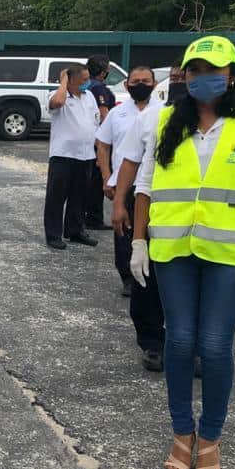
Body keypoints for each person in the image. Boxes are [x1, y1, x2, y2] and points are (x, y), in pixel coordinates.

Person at [131, 36, 235, 469]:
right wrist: (137, 240)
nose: (201, 77)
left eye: (211, 69)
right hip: (173, 249)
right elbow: (145, 185)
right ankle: (181, 432)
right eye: (193, 70)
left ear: (231, 75)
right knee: (179, 341)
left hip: (230, 254)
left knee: (213, 346)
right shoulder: (168, 120)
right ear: (184, 76)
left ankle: (210, 436)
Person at [111, 66, 187, 372]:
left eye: (187, 77)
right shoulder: (153, 118)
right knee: (147, 283)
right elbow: (130, 162)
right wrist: (119, 203)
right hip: (152, 209)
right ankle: (153, 344)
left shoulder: (223, 124)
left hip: (198, 220)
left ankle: (189, 347)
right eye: (180, 79)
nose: (184, 84)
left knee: (188, 287)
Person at [96, 66, 161, 298]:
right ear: (126, 85)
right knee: (123, 232)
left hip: (155, 185)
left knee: (153, 233)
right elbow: (102, 145)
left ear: (154, 84)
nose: (140, 84)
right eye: (135, 81)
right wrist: (106, 177)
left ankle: (154, 276)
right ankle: (128, 279)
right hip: (124, 183)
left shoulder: (164, 112)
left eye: (146, 80)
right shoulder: (117, 113)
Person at [44, 64, 100, 249]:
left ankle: (75, 231)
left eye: (88, 78)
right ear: (72, 80)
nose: (87, 82)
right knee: (56, 197)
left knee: (80, 196)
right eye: (83, 80)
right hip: (63, 154)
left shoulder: (89, 96)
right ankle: (53, 234)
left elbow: (94, 122)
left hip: (86, 155)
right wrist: (63, 82)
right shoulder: (58, 95)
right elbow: (57, 104)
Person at [84, 55, 116, 230]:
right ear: (103, 72)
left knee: (90, 181)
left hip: (90, 138)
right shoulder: (99, 89)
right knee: (97, 182)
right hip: (100, 141)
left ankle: (88, 216)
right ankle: (94, 218)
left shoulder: (88, 86)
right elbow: (104, 115)